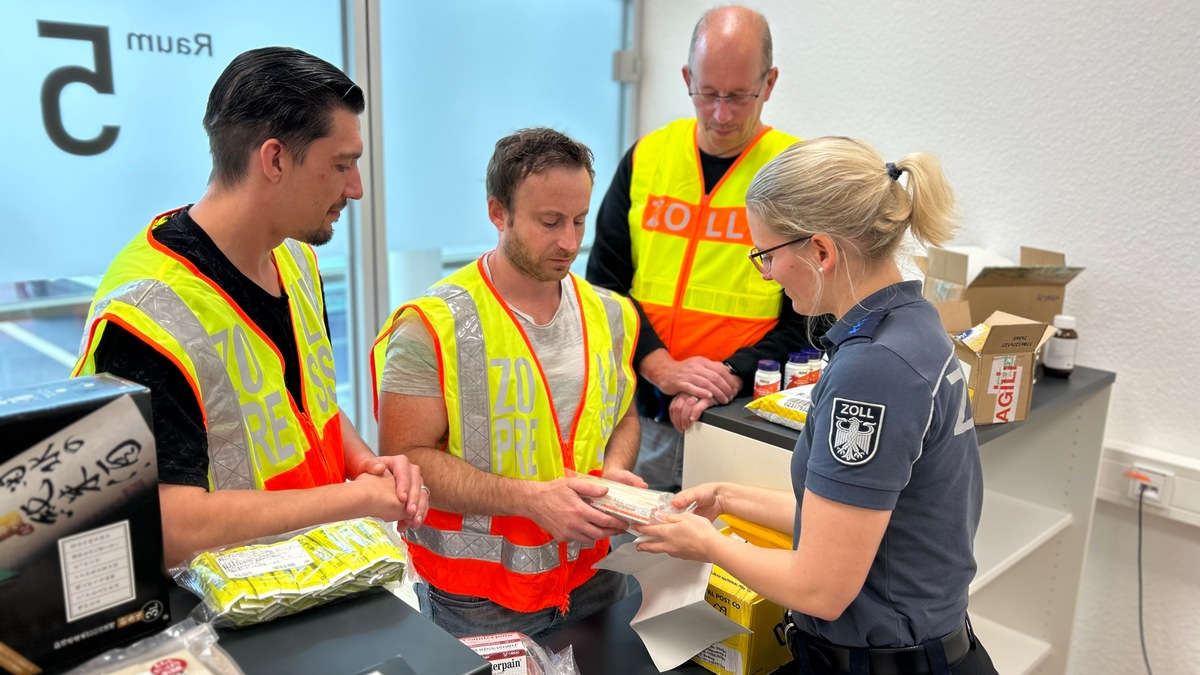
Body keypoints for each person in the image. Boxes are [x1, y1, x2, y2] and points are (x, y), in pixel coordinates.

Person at [636, 137, 999, 675]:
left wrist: (706, 545)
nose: (766, 273)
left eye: (767, 254)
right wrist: (727, 497)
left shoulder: (874, 369)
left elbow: (820, 587)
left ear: (821, 252)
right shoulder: (912, 322)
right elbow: (855, 520)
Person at [73, 47, 428, 568]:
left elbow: (313, 408)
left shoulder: (297, 262)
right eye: (342, 165)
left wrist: (363, 465)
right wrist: (353, 500)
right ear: (276, 159)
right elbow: (168, 524)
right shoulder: (146, 316)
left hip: (312, 582)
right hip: (219, 620)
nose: (355, 189)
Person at [372, 128, 643, 638]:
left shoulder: (611, 314)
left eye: (580, 220)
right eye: (549, 222)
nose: (570, 241)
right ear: (498, 213)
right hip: (477, 598)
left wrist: (614, 470)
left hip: (595, 575)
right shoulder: (431, 325)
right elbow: (406, 460)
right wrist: (531, 500)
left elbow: (623, 414)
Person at [586, 5, 819, 492]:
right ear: (687, 77)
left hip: (743, 423)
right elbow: (604, 288)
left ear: (769, 83)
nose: (721, 114)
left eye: (739, 96)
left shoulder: (796, 174)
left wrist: (732, 375)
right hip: (641, 418)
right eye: (708, 93)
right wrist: (660, 367)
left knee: (724, 561)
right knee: (631, 556)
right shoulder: (647, 157)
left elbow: (817, 312)